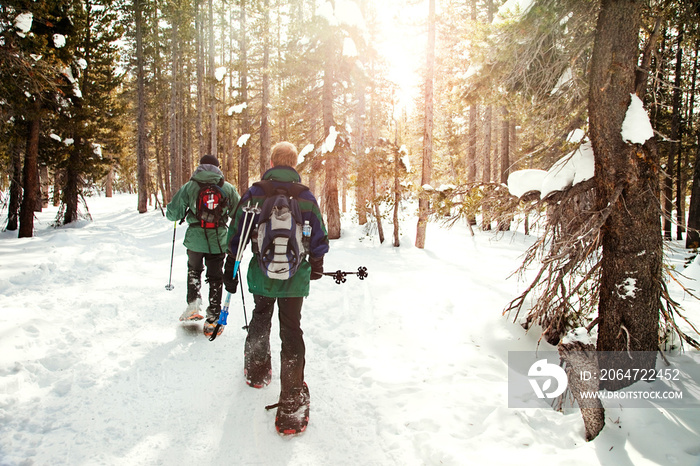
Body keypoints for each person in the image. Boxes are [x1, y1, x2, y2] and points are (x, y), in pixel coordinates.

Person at [224, 141, 329, 435]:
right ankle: (291, 402)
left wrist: (230, 266)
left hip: (261, 274)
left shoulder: (256, 193)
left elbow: (238, 234)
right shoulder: (305, 197)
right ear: (293, 164)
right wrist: (316, 265)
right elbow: (319, 237)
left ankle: (257, 370)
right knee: (291, 330)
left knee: (261, 315)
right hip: (295, 278)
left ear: (272, 162)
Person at [166, 154, 240, 337]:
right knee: (216, 277)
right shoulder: (227, 188)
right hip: (218, 240)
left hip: (195, 240)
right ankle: (213, 317)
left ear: (200, 167)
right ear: (218, 167)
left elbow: (173, 214)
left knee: (194, 270)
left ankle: (193, 304)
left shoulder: (190, 186)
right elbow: (239, 213)